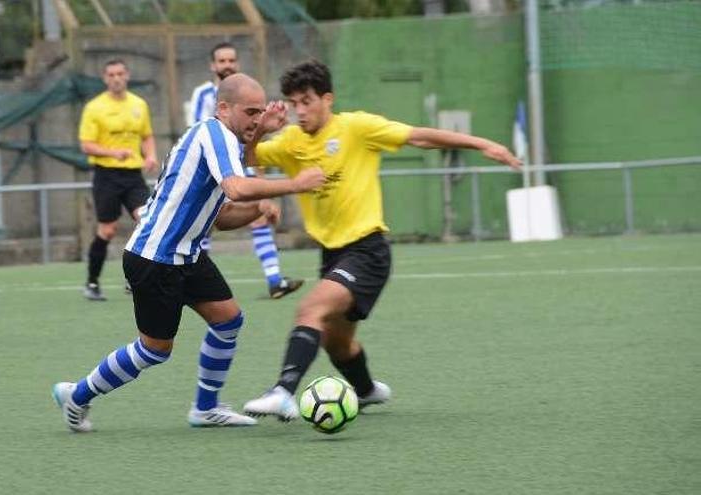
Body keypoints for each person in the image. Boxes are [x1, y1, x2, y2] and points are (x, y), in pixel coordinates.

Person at [243, 60, 522, 420]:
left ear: (327, 99)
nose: (300, 110)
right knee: (336, 342)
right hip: (332, 254)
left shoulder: (357, 128)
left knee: (310, 310)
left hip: (367, 251)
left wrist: (481, 143)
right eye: (294, 102)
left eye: (307, 100)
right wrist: (260, 131)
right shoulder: (291, 142)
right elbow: (248, 158)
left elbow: (419, 136)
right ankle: (367, 391)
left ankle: (283, 392)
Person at [51, 73, 325, 431]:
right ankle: (78, 395)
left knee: (228, 321)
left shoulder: (222, 140)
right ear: (224, 108)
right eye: (251, 111)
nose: (257, 118)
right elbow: (237, 187)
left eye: (261, 111)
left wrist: (257, 205)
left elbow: (222, 216)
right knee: (155, 350)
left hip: (187, 256)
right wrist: (294, 185)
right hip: (155, 259)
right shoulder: (213, 134)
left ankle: (205, 408)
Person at [186, 42, 303, 299]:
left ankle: (274, 280)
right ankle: (192, 278)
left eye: (231, 60)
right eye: (222, 61)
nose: (227, 65)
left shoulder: (248, 96)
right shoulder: (203, 96)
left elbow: (251, 140)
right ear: (212, 65)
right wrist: (297, 184)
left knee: (258, 215)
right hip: (213, 168)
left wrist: (258, 174)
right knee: (207, 223)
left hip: (239, 165)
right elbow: (201, 132)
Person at [79, 59, 158, 301]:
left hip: (133, 176)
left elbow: (146, 135)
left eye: (120, 73)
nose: (116, 78)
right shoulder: (95, 107)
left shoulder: (139, 104)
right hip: (107, 175)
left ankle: (134, 277)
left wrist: (151, 155)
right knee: (108, 230)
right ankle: (92, 282)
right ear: (105, 78)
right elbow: (86, 145)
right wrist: (113, 153)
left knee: (146, 220)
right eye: (111, 74)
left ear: (127, 75)